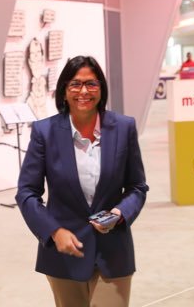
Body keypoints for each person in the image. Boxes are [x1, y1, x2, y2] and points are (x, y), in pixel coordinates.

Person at [15, 55, 149, 307]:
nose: (84, 91)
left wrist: (119, 214)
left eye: (91, 84)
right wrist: (54, 231)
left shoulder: (124, 128)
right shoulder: (45, 132)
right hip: (64, 253)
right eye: (75, 84)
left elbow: (137, 187)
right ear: (64, 90)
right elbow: (27, 192)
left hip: (113, 251)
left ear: (101, 88)